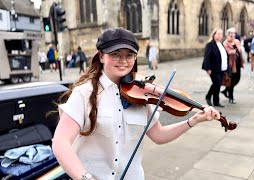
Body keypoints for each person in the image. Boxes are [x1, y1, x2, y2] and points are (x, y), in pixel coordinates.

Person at [52, 27, 220, 180]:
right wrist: (85, 178)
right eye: (116, 54)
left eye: (129, 55)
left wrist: (193, 120)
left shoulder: (141, 94)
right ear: (102, 56)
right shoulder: (84, 93)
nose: (123, 60)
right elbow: (60, 143)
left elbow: (159, 135)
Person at [202, 28, 228, 107]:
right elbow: (207, 57)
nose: (220, 35)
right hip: (213, 69)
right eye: (218, 34)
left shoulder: (221, 44)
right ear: (214, 34)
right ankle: (208, 96)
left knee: (218, 84)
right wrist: (208, 68)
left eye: (221, 34)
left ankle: (216, 101)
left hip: (221, 68)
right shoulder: (210, 44)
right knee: (216, 83)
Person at [221, 28, 244, 104]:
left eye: (234, 35)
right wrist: (233, 50)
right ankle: (231, 97)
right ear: (228, 35)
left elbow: (239, 51)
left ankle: (225, 90)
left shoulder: (237, 41)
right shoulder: (225, 43)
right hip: (231, 65)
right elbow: (228, 52)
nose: (233, 36)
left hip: (238, 63)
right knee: (231, 81)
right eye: (231, 35)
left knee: (237, 79)